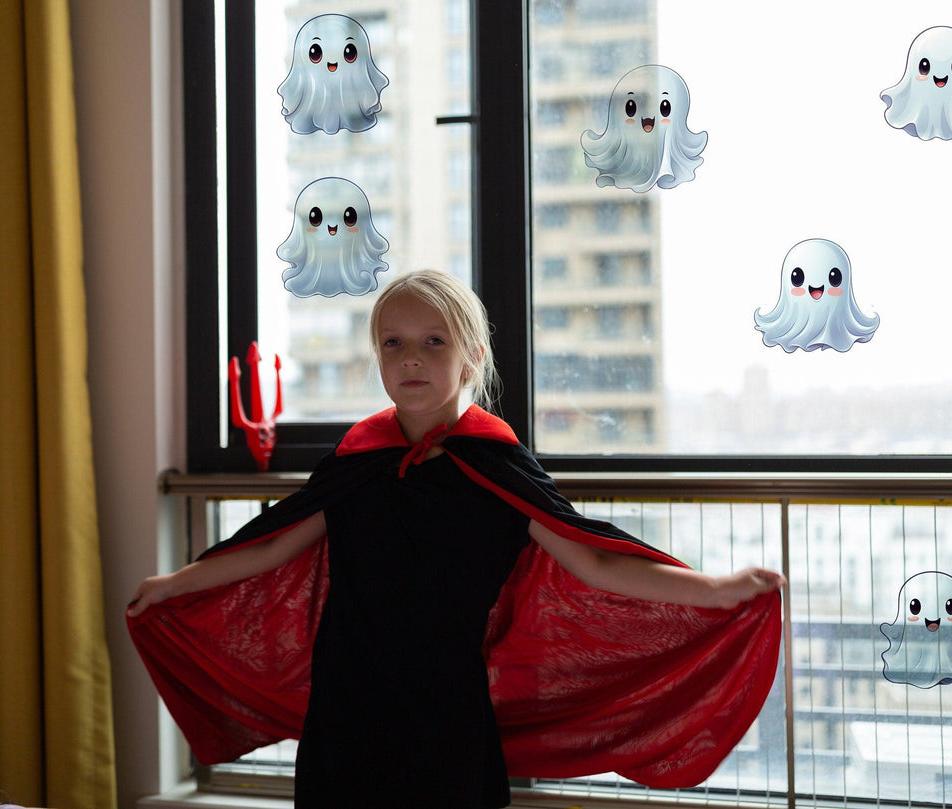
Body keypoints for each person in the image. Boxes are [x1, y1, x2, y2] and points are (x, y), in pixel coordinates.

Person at [128, 269, 785, 809]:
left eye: (434, 340)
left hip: (446, 719)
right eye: (392, 342)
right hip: (344, 720)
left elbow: (593, 556)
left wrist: (715, 588)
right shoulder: (356, 462)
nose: (411, 356)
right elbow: (267, 546)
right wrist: (172, 583)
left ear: (472, 355)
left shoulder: (496, 465)